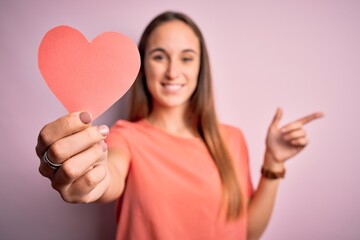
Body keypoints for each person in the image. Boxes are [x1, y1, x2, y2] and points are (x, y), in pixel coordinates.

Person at [35, 11, 323, 240]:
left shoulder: (232, 139)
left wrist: (273, 161)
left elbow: (245, 233)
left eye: (186, 58)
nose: (173, 72)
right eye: (159, 56)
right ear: (143, 66)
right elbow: (108, 177)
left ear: (200, 68)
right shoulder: (126, 136)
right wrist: (86, 181)